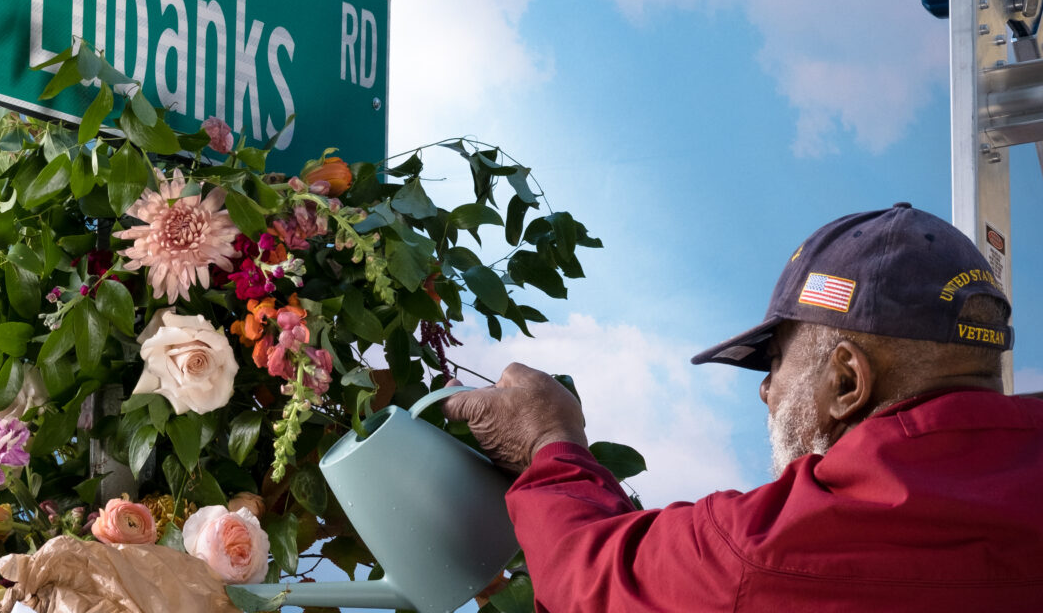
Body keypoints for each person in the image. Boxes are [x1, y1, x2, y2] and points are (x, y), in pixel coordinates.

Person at [445, 204, 1043, 611]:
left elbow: (592, 578)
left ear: (846, 382)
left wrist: (548, 440)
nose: (765, 391)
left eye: (775, 362)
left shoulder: (775, 548)